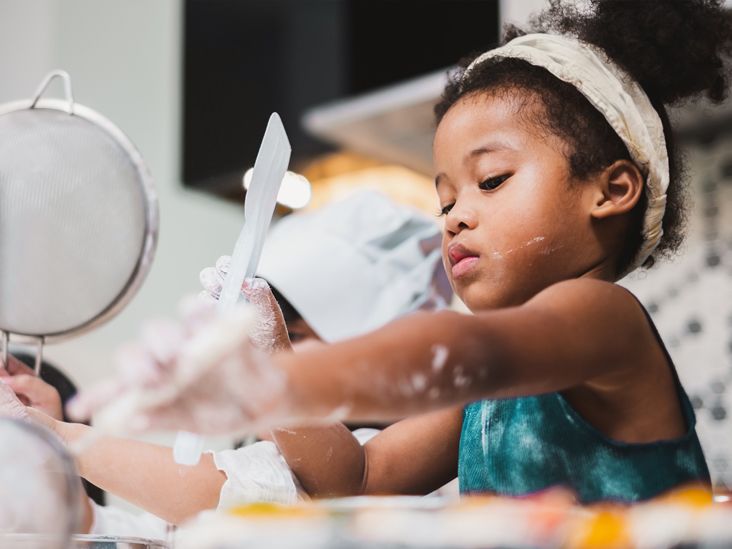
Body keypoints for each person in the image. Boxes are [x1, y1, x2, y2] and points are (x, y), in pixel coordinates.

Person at [70, 0, 732, 504]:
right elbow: (356, 476)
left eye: (492, 179)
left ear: (611, 189)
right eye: (444, 201)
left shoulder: (602, 319)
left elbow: (465, 352)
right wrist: (269, 358)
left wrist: (278, 382)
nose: (457, 216)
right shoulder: (485, 395)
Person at [0, 191, 449, 530]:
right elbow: (145, 536)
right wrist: (46, 453)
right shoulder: (253, 451)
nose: (257, 354)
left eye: (289, 338)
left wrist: (62, 438)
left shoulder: (398, 462)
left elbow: (237, 494)